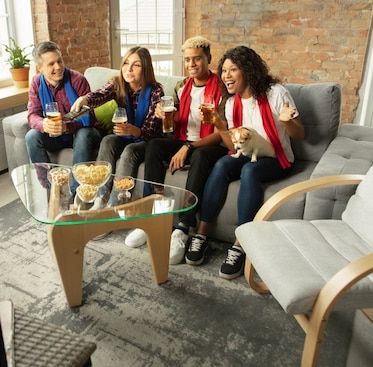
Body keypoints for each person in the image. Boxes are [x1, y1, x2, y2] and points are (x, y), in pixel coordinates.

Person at [194, 45, 305, 279]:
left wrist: (288, 122)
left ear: (248, 70)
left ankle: (240, 244)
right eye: (224, 70)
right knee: (223, 164)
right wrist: (220, 126)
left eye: (233, 69)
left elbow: (300, 135)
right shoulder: (233, 103)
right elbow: (235, 147)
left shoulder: (276, 93)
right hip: (250, 152)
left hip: (277, 157)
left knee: (249, 171)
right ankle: (201, 233)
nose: (226, 76)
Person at [124, 36, 230, 261]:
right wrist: (163, 114)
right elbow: (176, 121)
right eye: (187, 60)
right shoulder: (183, 86)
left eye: (197, 59)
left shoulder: (221, 88)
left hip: (212, 144)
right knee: (153, 145)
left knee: (200, 155)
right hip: (185, 140)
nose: (192, 64)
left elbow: (221, 133)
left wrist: (189, 148)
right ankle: (154, 215)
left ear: (208, 58)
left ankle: (182, 228)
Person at [71, 46, 164, 179]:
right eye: (126, 63)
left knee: (130, 150)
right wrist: (84, 99)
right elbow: (100, 95)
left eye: (136, 65)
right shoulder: (118, 83)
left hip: (147, 140)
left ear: (145, 68)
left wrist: (132, 130)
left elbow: (150, 132)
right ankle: (101, 192)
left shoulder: (156, 91)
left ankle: (118, 198)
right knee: (108, 140)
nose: (129, 69)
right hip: (126, 136)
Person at [25, 41, 105, 171]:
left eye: (59, 61)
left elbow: (88, 117)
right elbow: (32, 115)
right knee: (31, 137)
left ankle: (77, 189)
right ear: (40, 68)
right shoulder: (36, 83)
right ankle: (49, 187)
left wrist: (66, 127)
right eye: (51, 64)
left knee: (83, 135)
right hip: (56, 135)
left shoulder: (77, 80)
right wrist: (44, 124)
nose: (58, 67)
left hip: (86, 132)